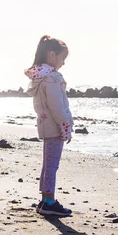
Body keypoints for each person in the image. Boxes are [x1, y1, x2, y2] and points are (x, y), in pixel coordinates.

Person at [25, 35, 73, 216]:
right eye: (62, 59)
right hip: (54, 127)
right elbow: (57, 107)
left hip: (46, 125)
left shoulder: (40, 77)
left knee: (48, 164)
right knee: (52, 166)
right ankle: (49, 202)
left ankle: (45, 200)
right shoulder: (51, 78)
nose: (63, 63)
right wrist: (65, 128)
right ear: (52, 55)